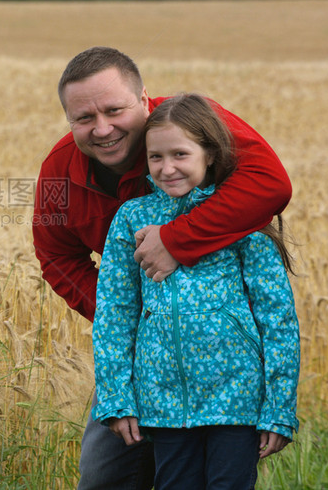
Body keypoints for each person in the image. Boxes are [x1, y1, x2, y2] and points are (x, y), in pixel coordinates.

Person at [32, 47, 292, 489]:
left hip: (226, 366)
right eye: (83, 118)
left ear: (144, 99)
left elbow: (270, 183)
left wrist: (176, 240)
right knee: (104, 476)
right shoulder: (57, 174)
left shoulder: (188, 124)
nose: (102, 129)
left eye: (114, 109)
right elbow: (56, 256)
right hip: (143, 356)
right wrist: (137, 320)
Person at [92, 93, 300, 490]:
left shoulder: (240, 219)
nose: (167, 168)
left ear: (209, 154)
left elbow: (278, 320)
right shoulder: (131, 218)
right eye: (156, 158)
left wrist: (279, 408)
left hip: (236, 401)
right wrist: (117, 398)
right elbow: (115, 314)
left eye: (181, 155)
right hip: (163, 402)